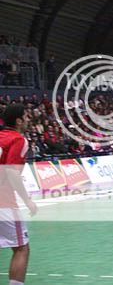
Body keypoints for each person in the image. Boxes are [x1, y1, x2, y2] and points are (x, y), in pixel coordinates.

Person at [0, 104, 38, 285]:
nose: (29, 120)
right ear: (18, 121)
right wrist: (28, 200)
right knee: (21, 248)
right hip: (4, 202)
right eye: (26, 117)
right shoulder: (18, 139)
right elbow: (12, 172)